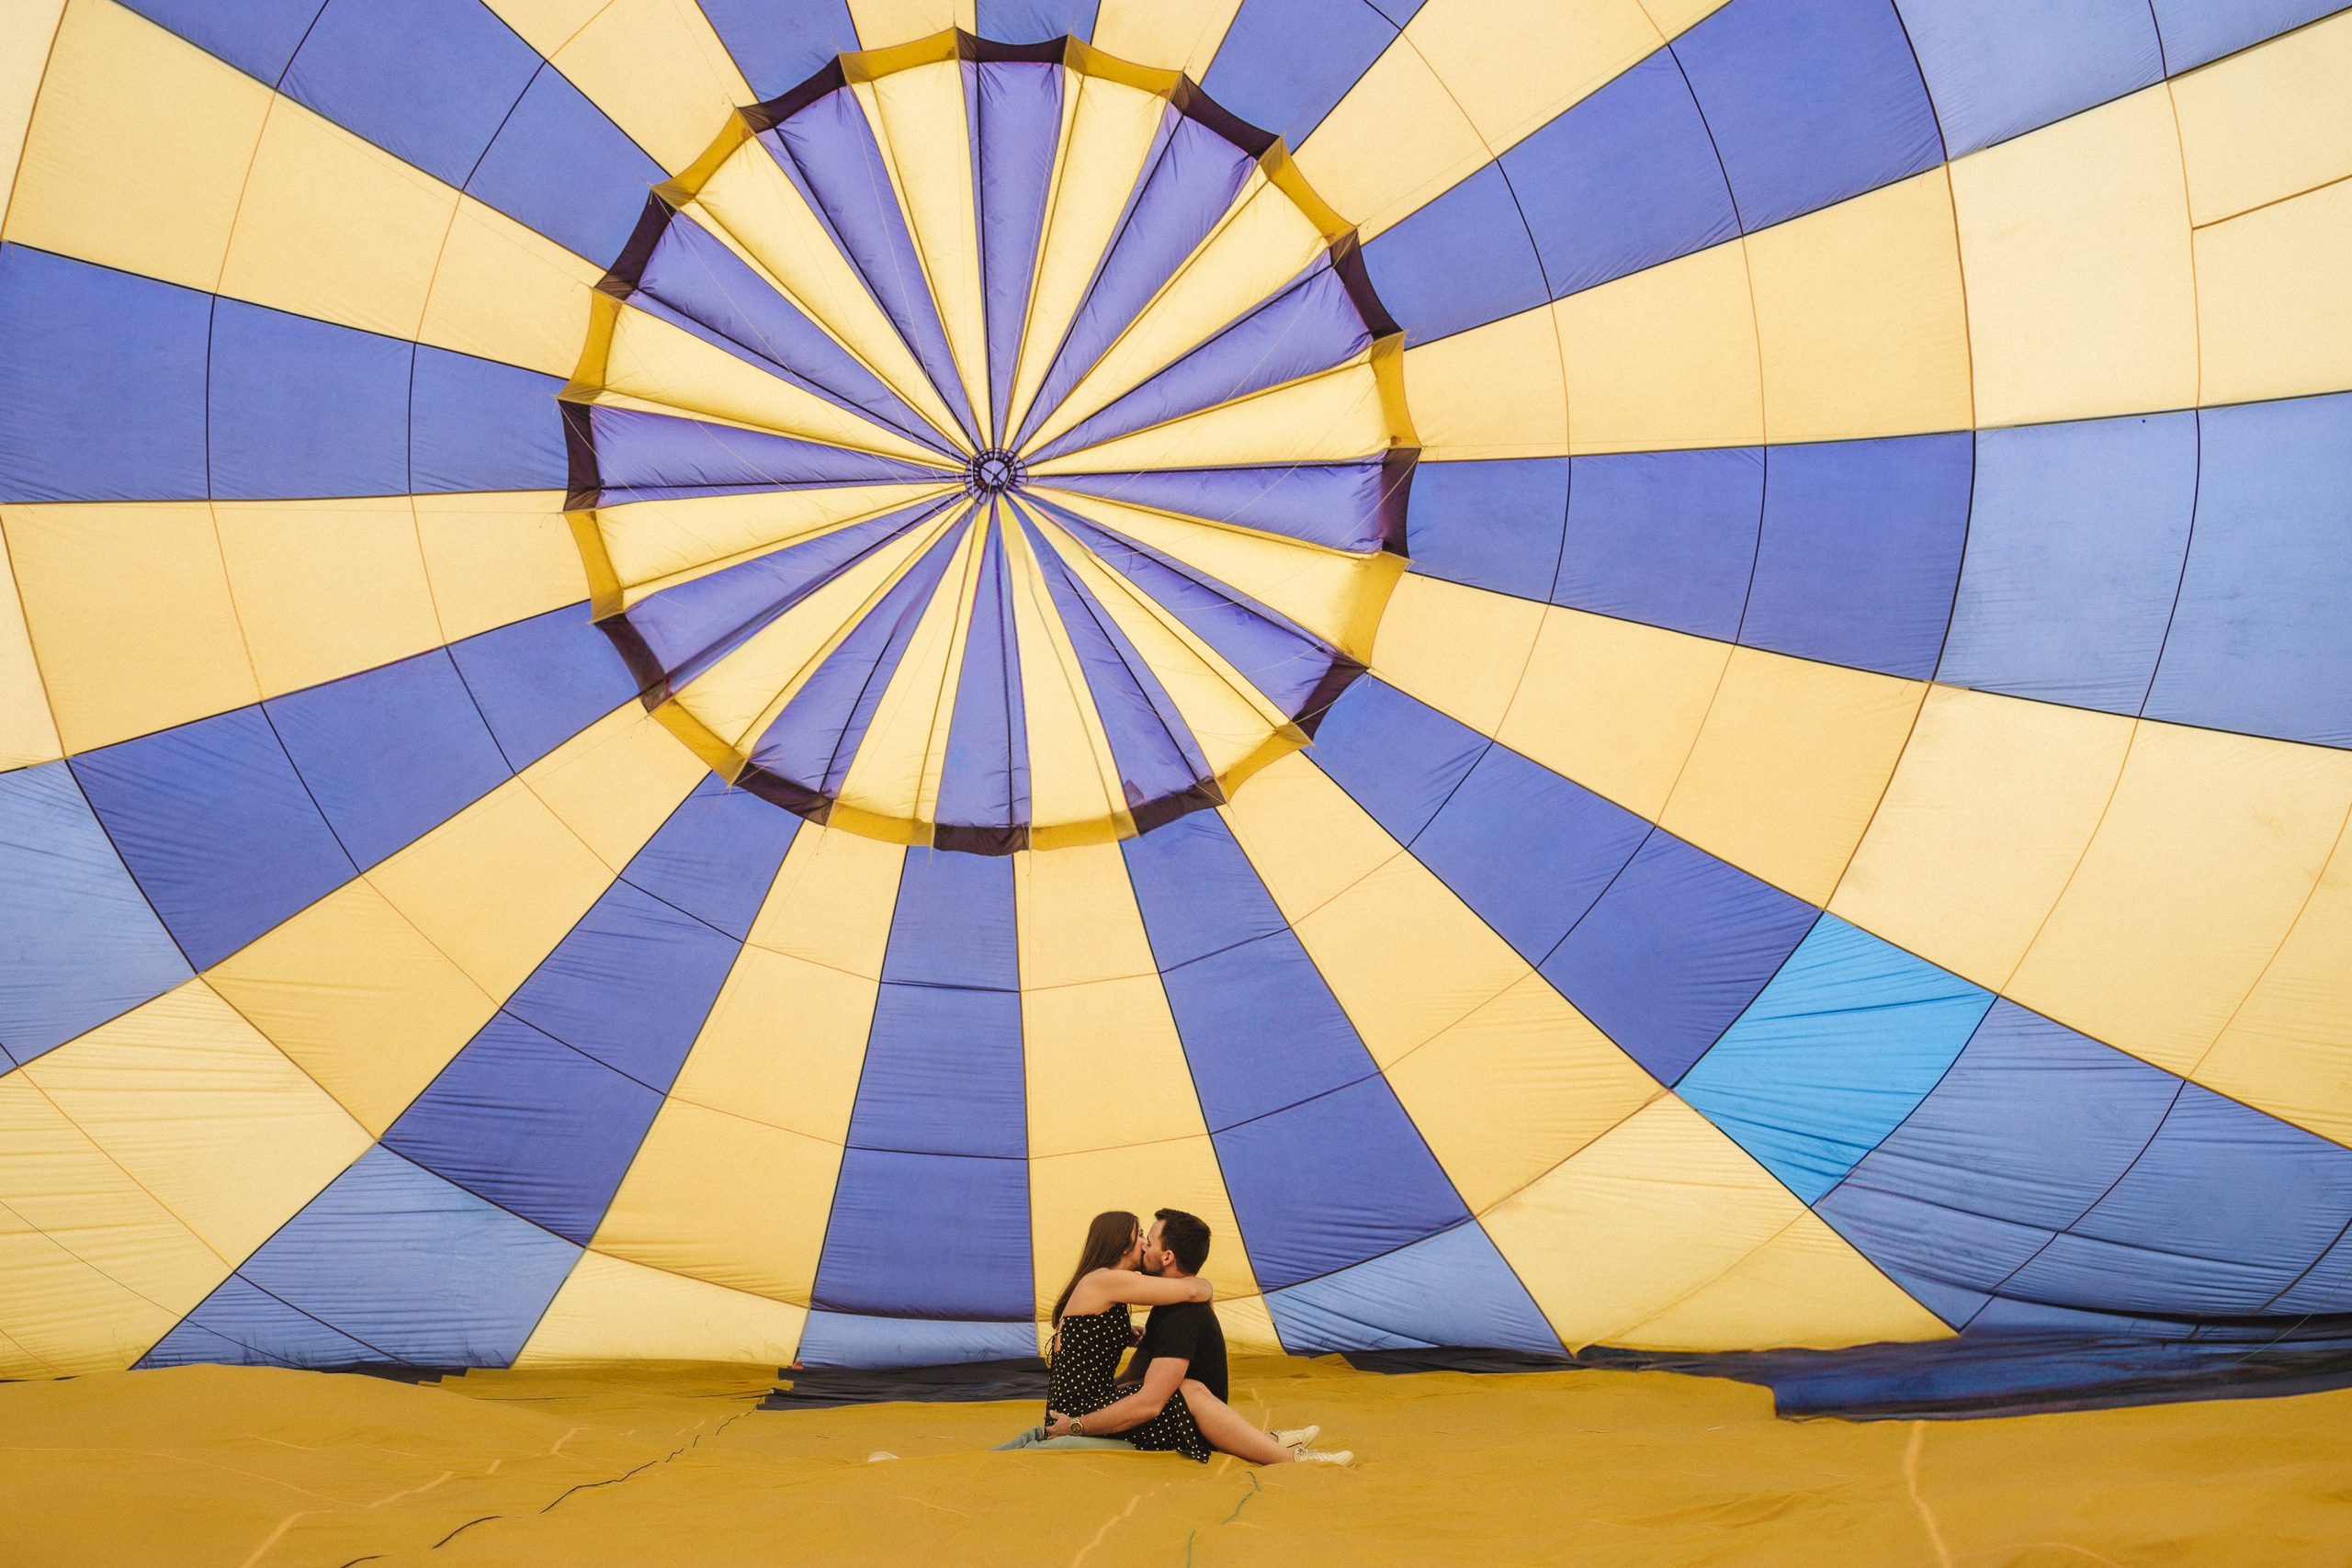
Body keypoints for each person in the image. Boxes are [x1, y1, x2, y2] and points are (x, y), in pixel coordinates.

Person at [1045, 1209, 1351, 1466]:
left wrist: (1125, 1335)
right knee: (1186, 1389)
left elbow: (1087, 1345)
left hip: (1092, 1397)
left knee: (1165, 1387)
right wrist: (1205, 1287)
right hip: (1074, 1410)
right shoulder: (1107, 1281)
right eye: (1140, 1236)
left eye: (1147, 1239)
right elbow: (1191, 1289)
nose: (1143, 1245)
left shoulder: (1108, 1287)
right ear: (1122, 1245)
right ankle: (1288, 1457)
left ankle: (1268, 1442)